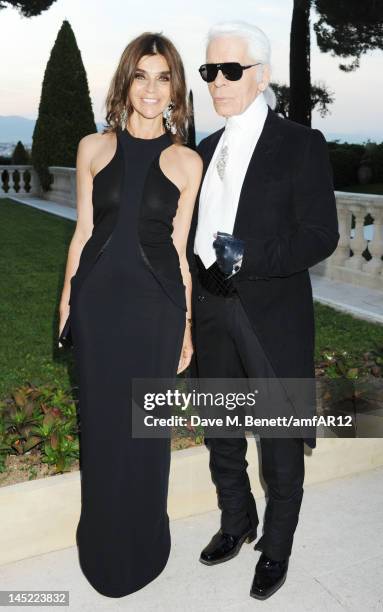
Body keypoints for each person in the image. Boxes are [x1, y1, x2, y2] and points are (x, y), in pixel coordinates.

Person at [186, 21, 339, 600]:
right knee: (221, 428)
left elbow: (321, 235)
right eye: (210, 72)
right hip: (211, 308)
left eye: (230, 70)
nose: (217, 82)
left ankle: (276, 545)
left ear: (262, 75)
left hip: (270, 313)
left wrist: (250, 257)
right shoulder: (205, 149)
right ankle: (236, 520)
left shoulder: (301, 144)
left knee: (278, 439)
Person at [58, 32, 202, 598]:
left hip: (156, 311)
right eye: (141, 75)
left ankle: (144, 544)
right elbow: (83, 234)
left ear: (175, 88)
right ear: (126, 82)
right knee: (100, 427)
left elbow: (181, 249)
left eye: (162, 76)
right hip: (99, 305)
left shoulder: (187, 161)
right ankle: (100, 545)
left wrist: (187, 324)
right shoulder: (93, 147)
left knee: (148, 432)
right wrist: (67, 303)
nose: (150, 88)